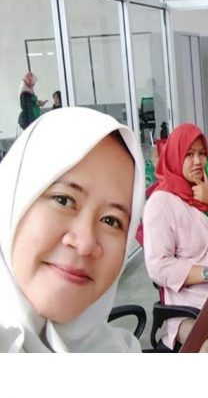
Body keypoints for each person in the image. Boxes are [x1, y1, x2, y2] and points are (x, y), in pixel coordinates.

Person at [0, 107, 145, 352]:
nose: (85, 242)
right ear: (12, 202)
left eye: (111, 221)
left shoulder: (120, 350)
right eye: (64, 200)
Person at [143, 123, 208, 350]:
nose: (198, 161)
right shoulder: (161, 203)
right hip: (193, 309)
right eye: (189, 155)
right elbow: (158, 267)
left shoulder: (205, 190)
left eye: (202, 153)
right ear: (175, 156)